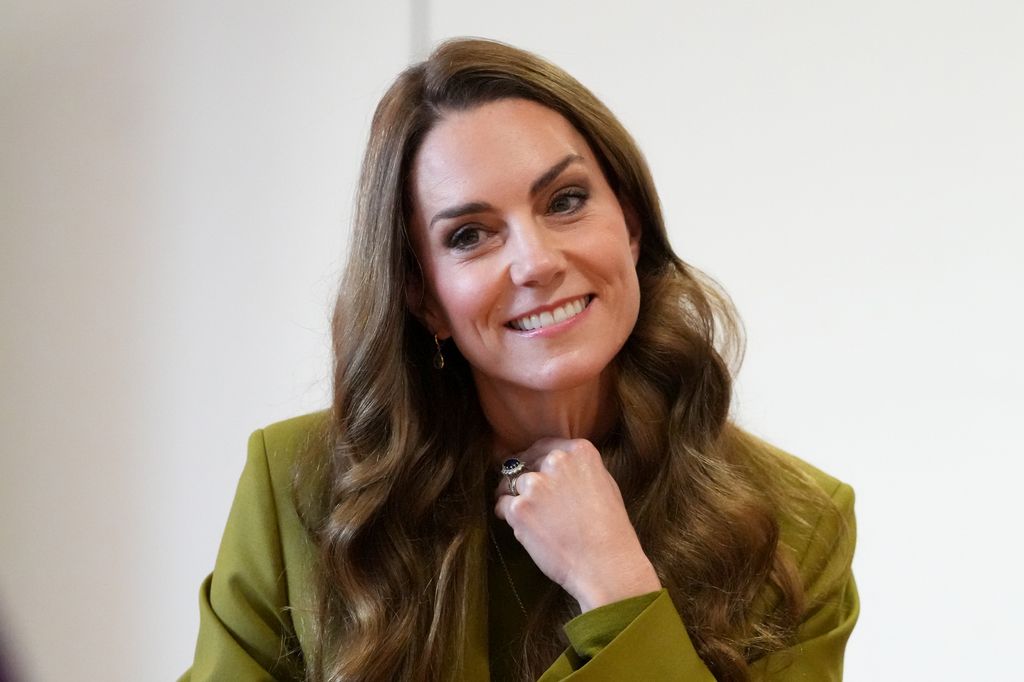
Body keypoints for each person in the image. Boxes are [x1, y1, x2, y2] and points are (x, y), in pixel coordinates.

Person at [181, 38, 858, 682]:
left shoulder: (797, 524)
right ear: (424, 297)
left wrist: (617, 585)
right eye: (470, 235)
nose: (535, 263)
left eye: (565, 202)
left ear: (630, 225)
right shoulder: (300, 491)